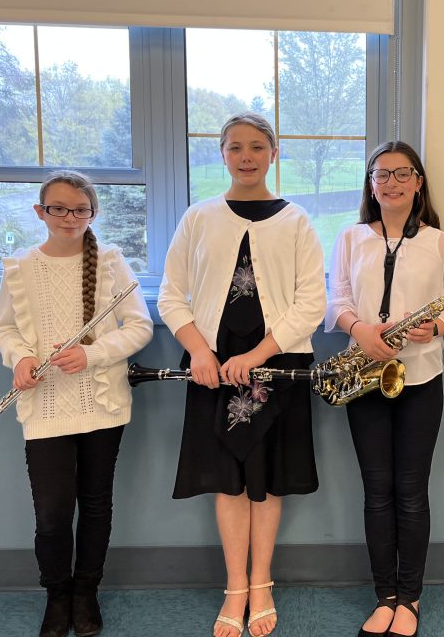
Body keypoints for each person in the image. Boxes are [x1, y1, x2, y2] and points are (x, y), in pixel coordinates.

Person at [158, 113, 326, 637]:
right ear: (222, 155)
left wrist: (257, 356)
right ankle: (234, 587)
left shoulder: (297, 220)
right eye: (236, 147)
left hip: (278, 362)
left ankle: (262, 583)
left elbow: (311, 303)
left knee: (268, 479)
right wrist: (199, 353)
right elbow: (170, 295)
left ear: (274, 154)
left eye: (257, 146)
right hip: (213, 365)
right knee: (227, 478)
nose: (247, 156)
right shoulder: (199, 217)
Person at [0, 170, 153, 637]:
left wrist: (92, 354)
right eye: (58, 208)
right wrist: (20, 358)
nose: (69, 217)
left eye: (79, 209)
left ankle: (86, 593)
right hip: (43, 405)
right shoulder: (20, 267)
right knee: (53, 513)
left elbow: (138, 327)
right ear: (40, 212)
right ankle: (56, 594)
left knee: (96, 503)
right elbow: (5, 329)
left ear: (92, 213)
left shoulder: (110, 262)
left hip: (102, 403)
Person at [325, 141, 444, 637]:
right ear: (370, 184)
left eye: (401, 173)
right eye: (381, 174)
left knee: (411, 493)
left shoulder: (441, 241)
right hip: (365, 375)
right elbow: (337, 297)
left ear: (418, 182)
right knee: (376, 493)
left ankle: (409, 599)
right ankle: (383, 596)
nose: (390, 182)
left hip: (421, 378)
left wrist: (434, 329)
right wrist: (359, 330)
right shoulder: (350, 238)